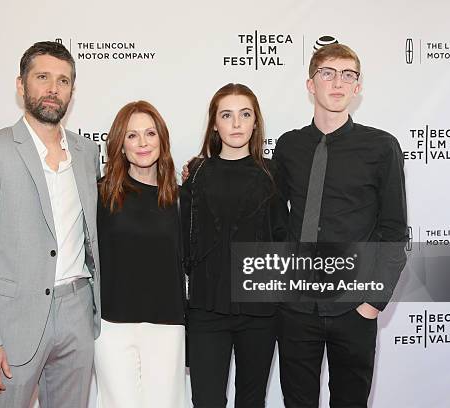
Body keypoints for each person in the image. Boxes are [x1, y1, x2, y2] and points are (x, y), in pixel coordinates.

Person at [0, 41, 101, 407]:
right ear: (21, 85)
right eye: (42, 77)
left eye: (63, 81)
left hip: (77, 313)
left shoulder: (87, 153)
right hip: (12, 323)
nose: (53, 89)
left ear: (72, 90)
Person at [272, 43, 408, 407]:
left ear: (358, 87)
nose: (338, 83)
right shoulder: (288, 147)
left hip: (354, 307)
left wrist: (372, 303)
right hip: (296, 307)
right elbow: (271, 217)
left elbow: (394, 231)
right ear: (310, 84)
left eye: (348, 75)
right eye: (328, 73)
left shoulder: (381, 148)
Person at [181, 83, 281, 408]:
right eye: (227, 115)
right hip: (205, 309)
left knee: (251, 401)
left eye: (245, 114)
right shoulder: (195, 174)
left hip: (260, 311)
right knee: (207, 401)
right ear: (215, 123)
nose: (236, 124)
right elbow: (183, 241)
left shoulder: (274, 174)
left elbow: (283, 239)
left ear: (255, 122)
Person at [94, 101, 186, 408]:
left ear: (162, 139)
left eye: (150, 133)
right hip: (113, 326)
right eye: (132, 136)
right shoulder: (101, 193)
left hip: (167, 325)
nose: (143, 143)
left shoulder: (178, 196)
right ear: (120, 145)